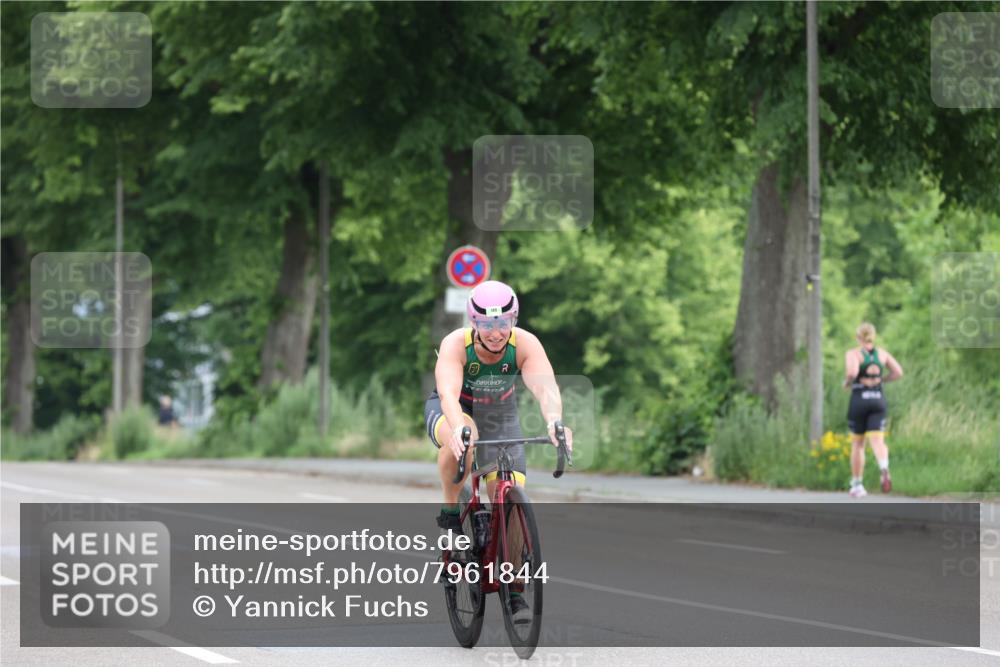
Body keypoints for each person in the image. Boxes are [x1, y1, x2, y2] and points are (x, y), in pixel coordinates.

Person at [424, 280, 573, 619]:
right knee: (465, 439)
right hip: (455, 409)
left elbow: (546, 388)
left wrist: (554, 421)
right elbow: (448, 394)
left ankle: (515, 591)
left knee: (511, 497)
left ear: (513, 320)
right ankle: (450, 514)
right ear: (473, 322)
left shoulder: (525, 344)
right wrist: (458, 427)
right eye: (487, 324)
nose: (495, 332)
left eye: (503, 323)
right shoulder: (456, 344)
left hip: (499, 413)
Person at [842, 323, 903, 498]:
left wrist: (847, 383)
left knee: (858, 444)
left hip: (860, 399)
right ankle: (884, 467)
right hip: (878, 399)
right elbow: (898, 372)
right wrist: (882, 379)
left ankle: (857, 485)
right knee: (877, 440)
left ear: (858, 338)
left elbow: (852, 372)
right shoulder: (882, 354)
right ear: (873, 337)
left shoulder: (853, 354)